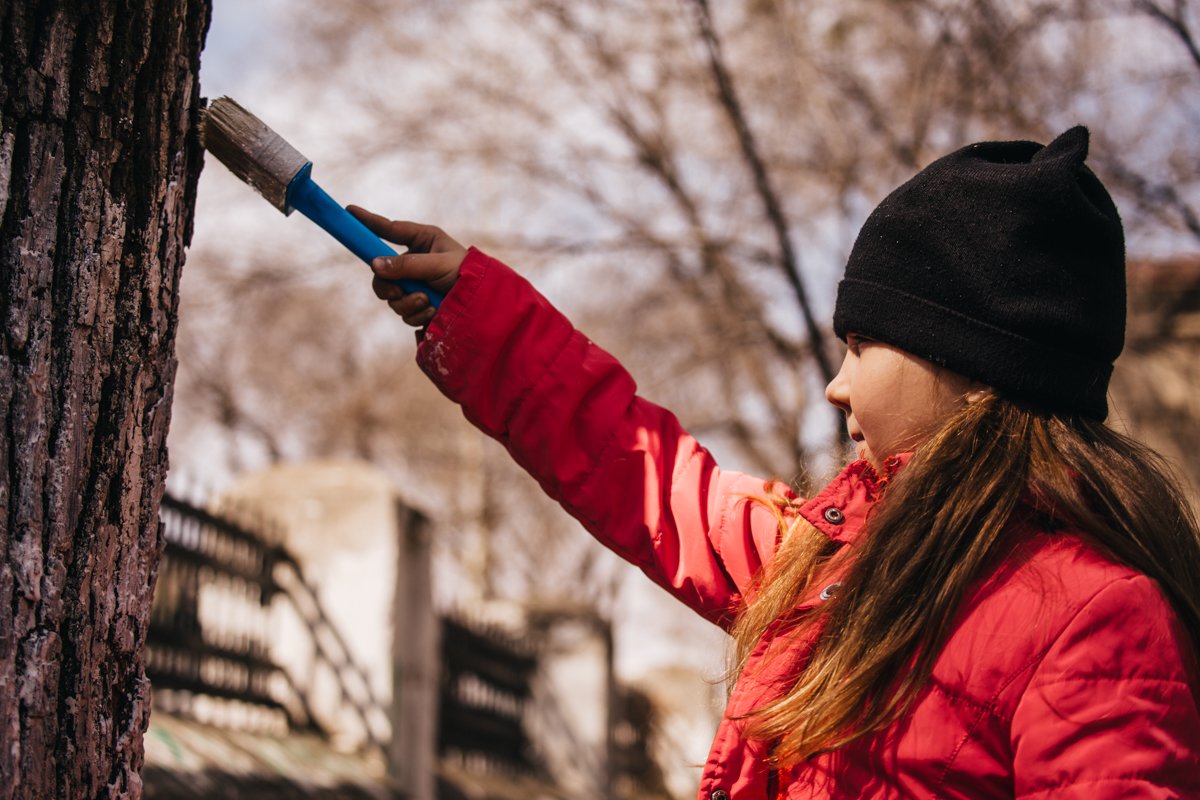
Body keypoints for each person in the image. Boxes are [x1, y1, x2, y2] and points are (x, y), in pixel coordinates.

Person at [348, 126, 1200, 798]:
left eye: (862, 346)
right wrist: (478, 311)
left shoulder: (1101, 621)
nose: (835, 387)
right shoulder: (832, 562)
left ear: (976, 367)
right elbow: (641, 471)